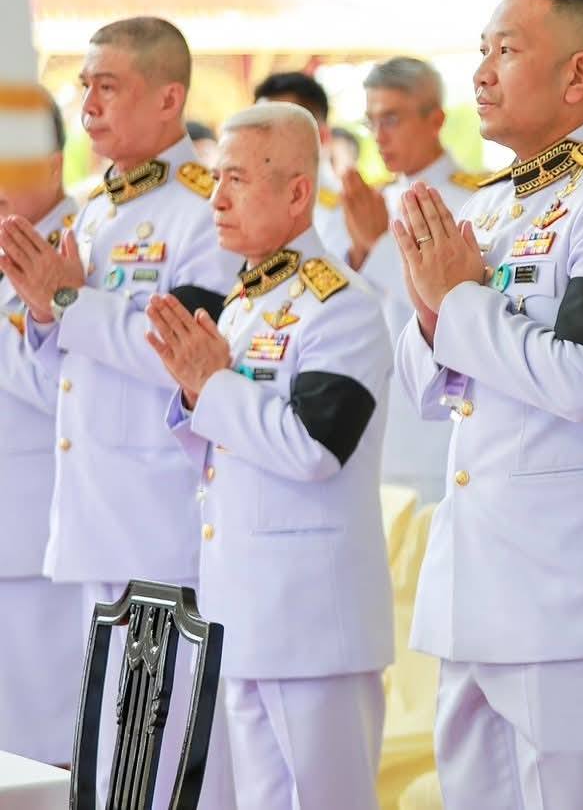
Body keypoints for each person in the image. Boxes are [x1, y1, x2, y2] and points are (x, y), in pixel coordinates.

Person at [393, 0, 583, 809]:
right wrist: (435, 311)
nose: (481, 73)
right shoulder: (489, 208)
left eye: (507, 51)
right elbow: (427, 389)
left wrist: (459, 302)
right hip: (477, 593)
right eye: (482, 51)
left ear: (578, 75)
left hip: (570, 600)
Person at [0, 16, 237, 808]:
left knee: (166, 760)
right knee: (107, 761)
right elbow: (63, 375)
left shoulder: (203, 210)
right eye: (85, 86)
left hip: (161, 516)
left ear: (169, 98)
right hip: (92, 516)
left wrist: (67, 303)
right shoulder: (97, 212)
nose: (90, 104)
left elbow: (183, 352)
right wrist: (45, 316)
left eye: (109, 86)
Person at [151, 102, 394, 808]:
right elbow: (225, 449)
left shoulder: (341, 304)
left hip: (315, 623)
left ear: (296, 192)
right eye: (215, 179)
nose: (217, 199)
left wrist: (213, 385)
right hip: (246, 609)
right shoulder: (245, 301)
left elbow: (315, 447)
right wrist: (198, 391)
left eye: (235, 179)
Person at [348, 56, 484, 502]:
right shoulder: (372, 201)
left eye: (391, 119)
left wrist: (377, 248)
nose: (379, 135)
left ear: (436, 119)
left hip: (438, 423)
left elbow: (458, 306)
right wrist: (361, 254)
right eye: (371, 122)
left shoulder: (472, 200)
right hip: (377, 419)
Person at [0, 92, 83, 765]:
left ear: (53, 163)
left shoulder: (86, 245)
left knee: (48, 754)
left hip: (40, 539)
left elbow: (72, 388)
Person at [254, 71, 350, 260]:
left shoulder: (344, 212)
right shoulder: (243, 202)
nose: (263, 142)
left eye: (280, 129)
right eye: (258, 128)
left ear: (321, 137)